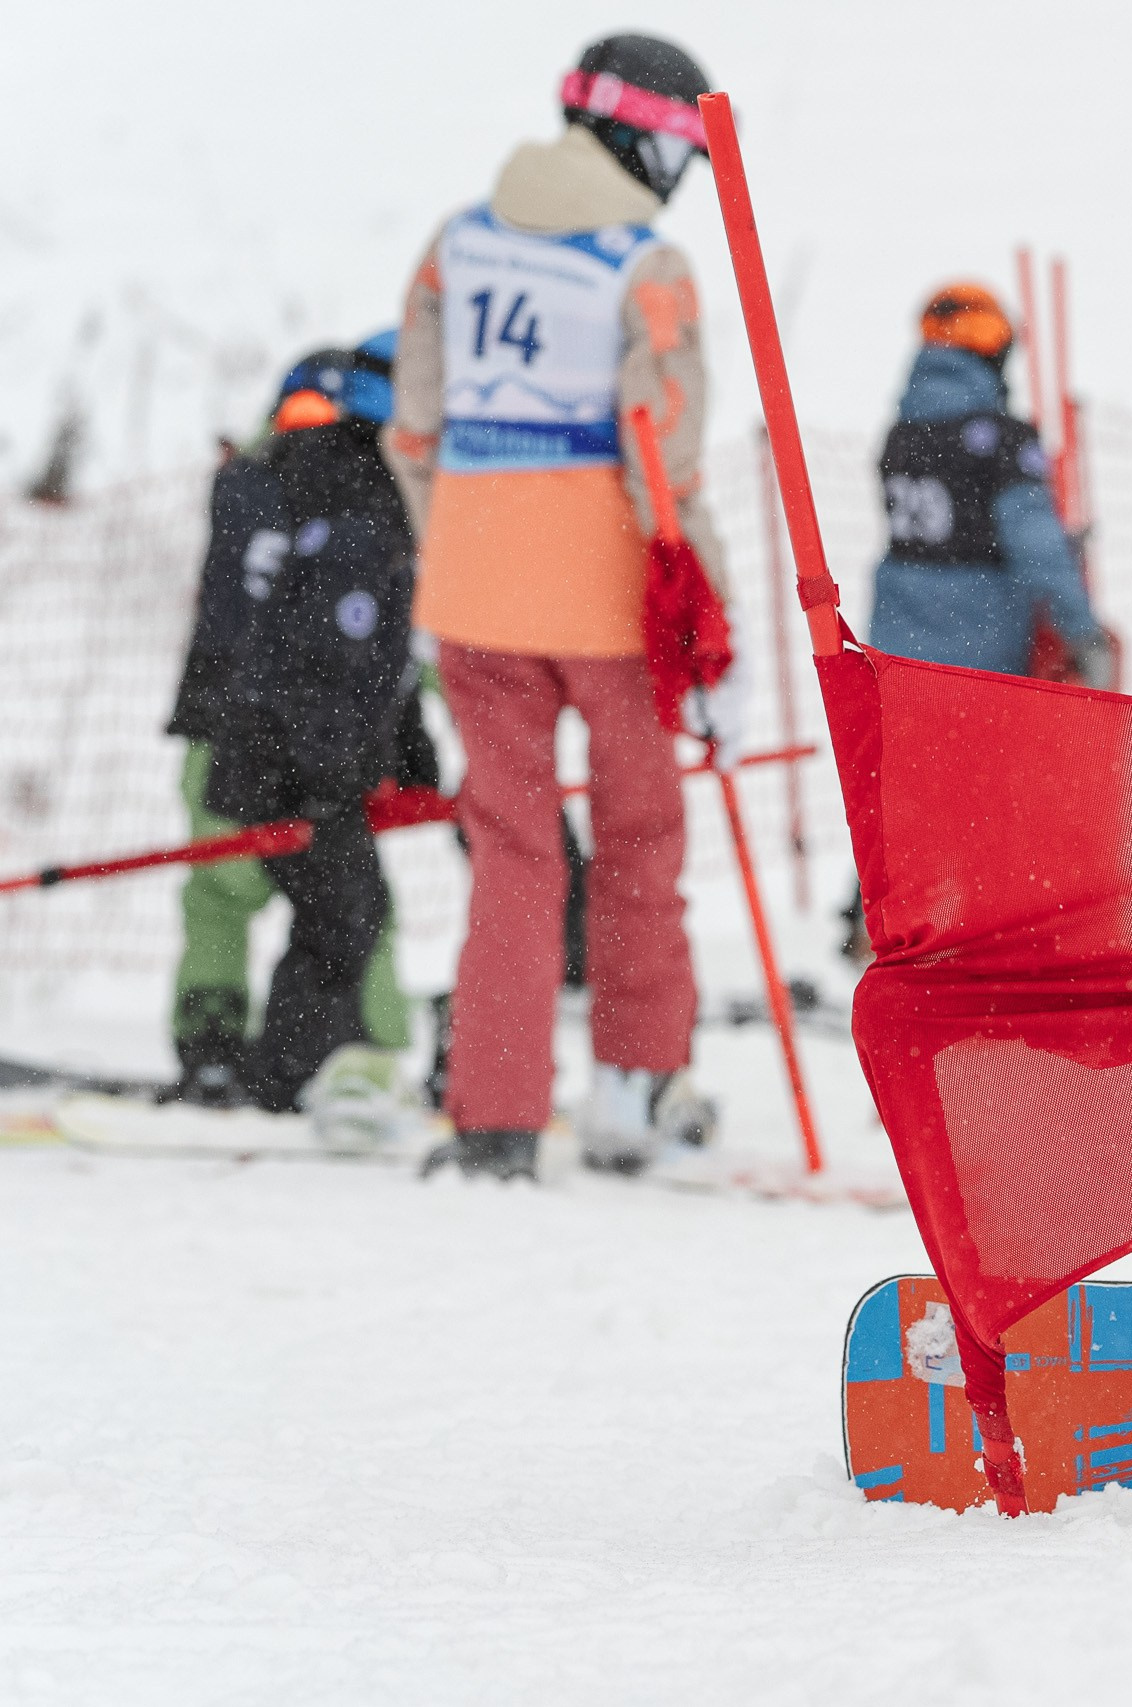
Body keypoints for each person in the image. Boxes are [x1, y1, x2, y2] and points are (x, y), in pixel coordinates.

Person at [387, 33, 727, 1180]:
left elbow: (416, 429)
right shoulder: (646, 265)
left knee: (513, 853)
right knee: (638, 841)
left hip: (477, 594)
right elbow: (661, 463)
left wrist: (456, 548)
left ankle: (496, 1117)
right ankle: (634, 1084)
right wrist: (707, 608)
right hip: (608, 599)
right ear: (647, 140)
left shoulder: (458, 243)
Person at [178, 337, 439, 1141]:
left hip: (228, 724)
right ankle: (361, 1049)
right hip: (308, 738)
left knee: (226, 895)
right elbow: (373, 637)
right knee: (350, 903)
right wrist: (394, 740)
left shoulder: (261, 476)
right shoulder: (374, 492)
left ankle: (213, 1035)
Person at [843, 282, 1112, 959]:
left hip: (900, 635)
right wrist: (1080, 625)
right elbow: (1032, 542)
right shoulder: (999, 438)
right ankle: (980, 927)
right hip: (982, 638)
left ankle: (876, 916)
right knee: (989, 789)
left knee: (907, 788)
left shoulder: (900, 434)